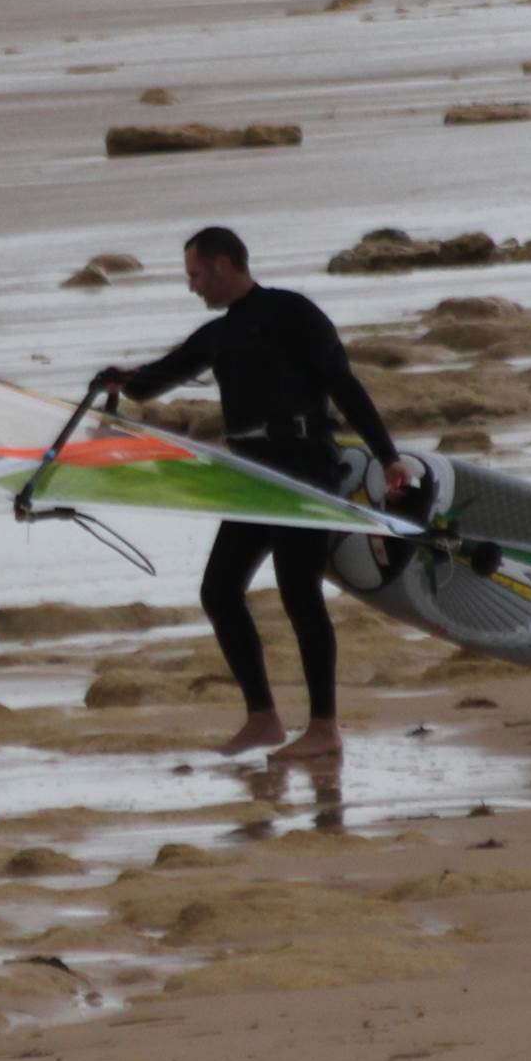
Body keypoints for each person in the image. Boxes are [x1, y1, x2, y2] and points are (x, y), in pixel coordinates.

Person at [95, 228, 416, 764]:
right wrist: (118, 381)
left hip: (304, 474)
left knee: (299, 594)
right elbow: (155, 380)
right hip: (253, 480)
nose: (193, 286)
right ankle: (263, 719)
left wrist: (387, 456)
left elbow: (343, 384)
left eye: (196, 274)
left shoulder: (293, 313)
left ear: (223, 265)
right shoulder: (218, 334)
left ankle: (324, 727)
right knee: (219, 591)